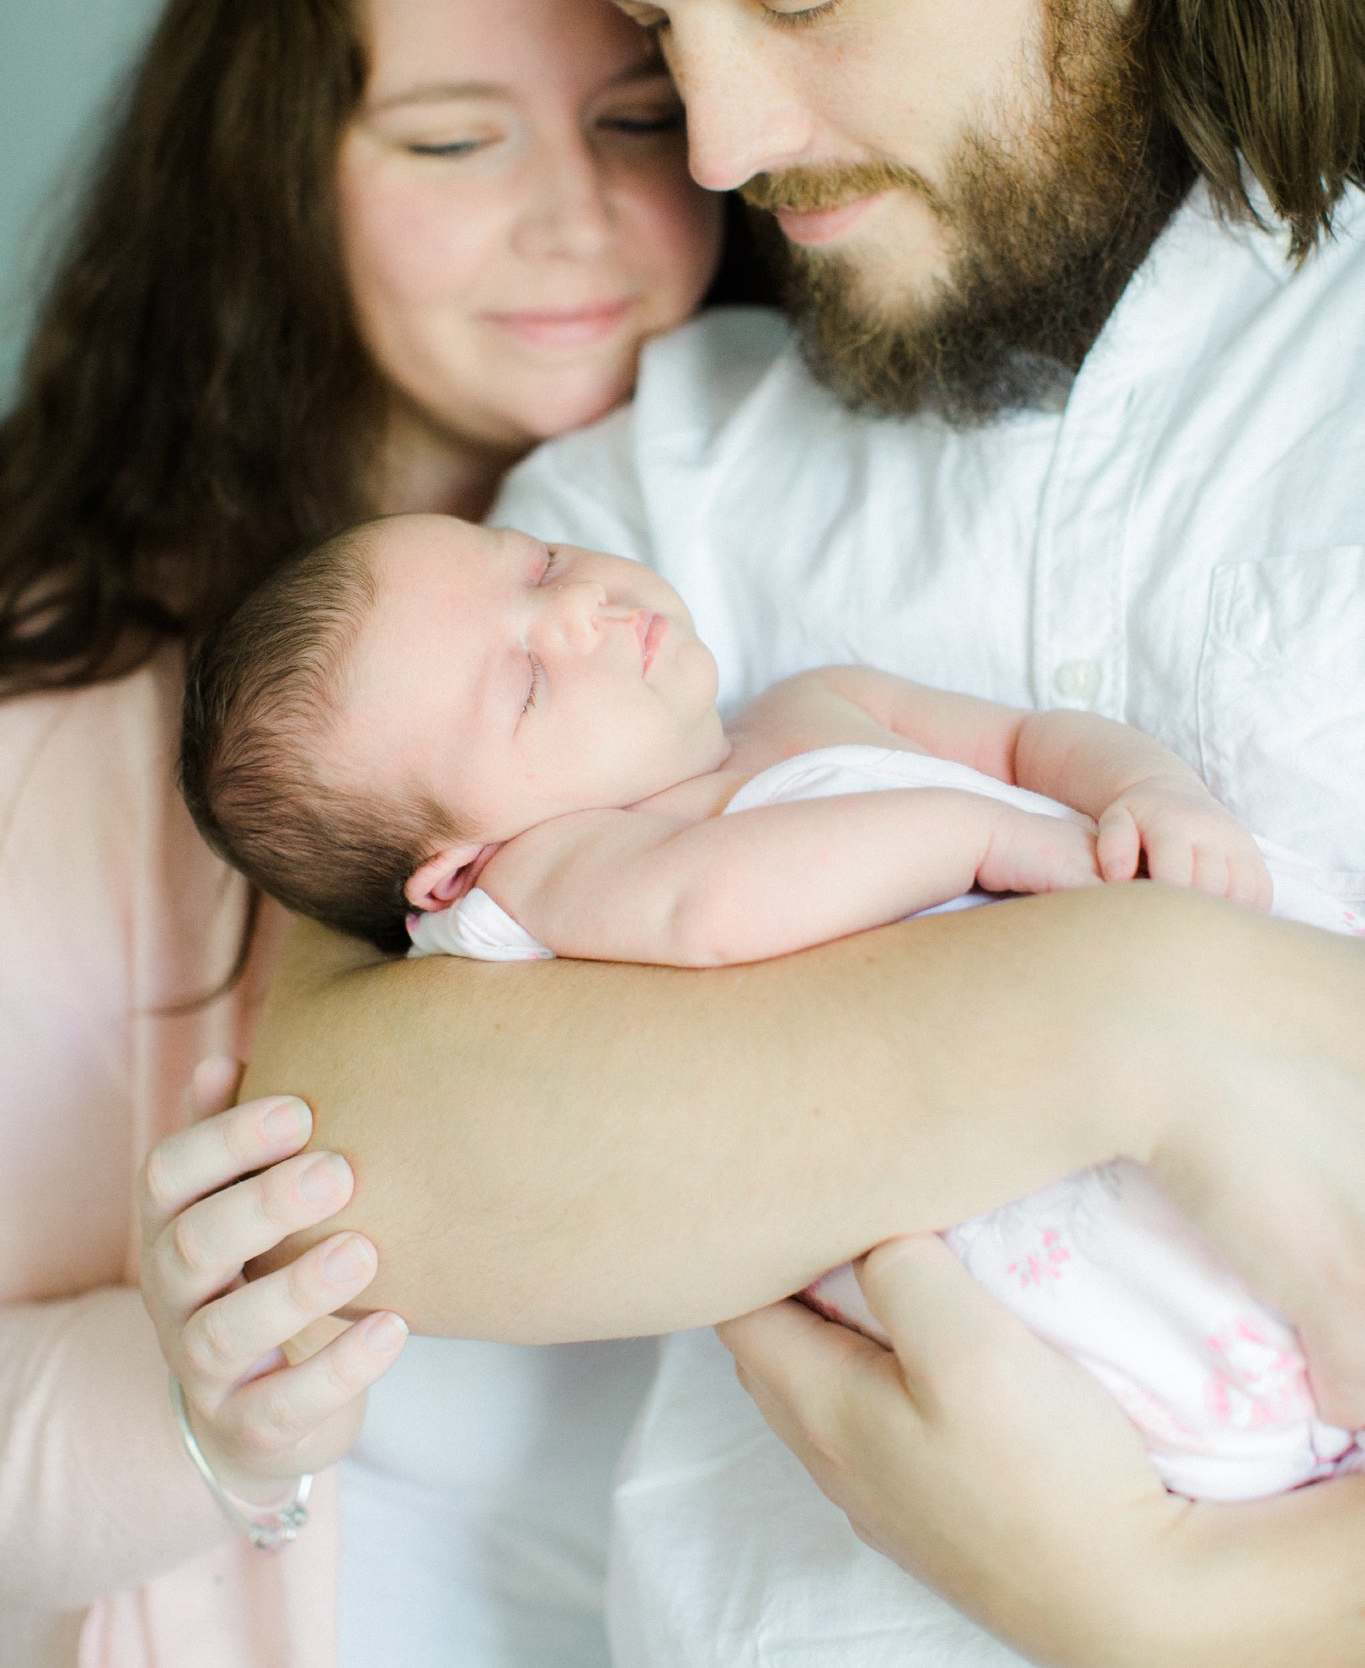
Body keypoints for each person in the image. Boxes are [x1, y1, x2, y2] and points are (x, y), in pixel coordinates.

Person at [235, 0, 1365, 1668]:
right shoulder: (659, 480)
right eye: (663, 26)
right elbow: (363, 1139)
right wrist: (1138, 1007)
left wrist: (1195, 1609)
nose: (727, 145)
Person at [0, 0, 725, 1668]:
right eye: (448, 136)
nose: (570, 217)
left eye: (639, 119)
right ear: (276, 167)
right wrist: (191, 1409)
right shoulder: (50, 717)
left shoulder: (798, 580)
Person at [186, 507, 1365, 1505]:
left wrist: (1152, 790)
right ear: (454, 870)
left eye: (536, 561)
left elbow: (1023, 736)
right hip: (1055, 1202)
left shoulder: (819, 699)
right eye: (530, 682)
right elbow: (715, 910)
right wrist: (991, 835)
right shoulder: (558, 868)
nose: (579, 609)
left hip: (1237, 1020)